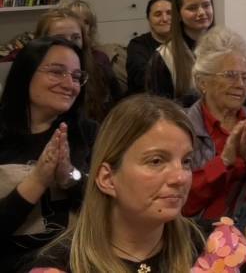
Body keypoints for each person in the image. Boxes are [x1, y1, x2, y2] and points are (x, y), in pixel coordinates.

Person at [26, 94, 206, 272]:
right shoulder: (59, 266)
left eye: (186, 161)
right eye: (156, 161)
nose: (180, 178)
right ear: (107, 179)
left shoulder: (213, 247)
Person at [0, 37, 97, 271]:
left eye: (76, 76)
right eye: (56, 72)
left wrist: (69, 176)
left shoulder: (87, 131)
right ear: (26, 73)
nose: (70, 84)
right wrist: (37, 181)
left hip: (77, 259)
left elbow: (106, 206)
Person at [184, 27, 246, 231]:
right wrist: (223, 162)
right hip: (198, 233)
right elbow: (183, 200)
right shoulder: (184, 127)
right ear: (202, 82)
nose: (241, 85)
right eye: (230, 75)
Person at [36, 9, 121, 122]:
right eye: (60, 38)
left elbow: (117, 104)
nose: (69, 43)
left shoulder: (98, 67)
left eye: (75, 38)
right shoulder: (33, 72)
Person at [147, 0, 214, 104]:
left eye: (206, 5)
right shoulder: (164, 57)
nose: (201, 12)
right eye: (192, 8)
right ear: (178, 14)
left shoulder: (226, 46)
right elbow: (160, 108)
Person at [126, 0, 173, 94]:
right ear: (149, 19)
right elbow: (144, 80)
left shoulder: (185, 42)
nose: (164, 18)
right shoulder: (137, 45)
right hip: (147, 100)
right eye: (158, 14)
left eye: (170, 13)